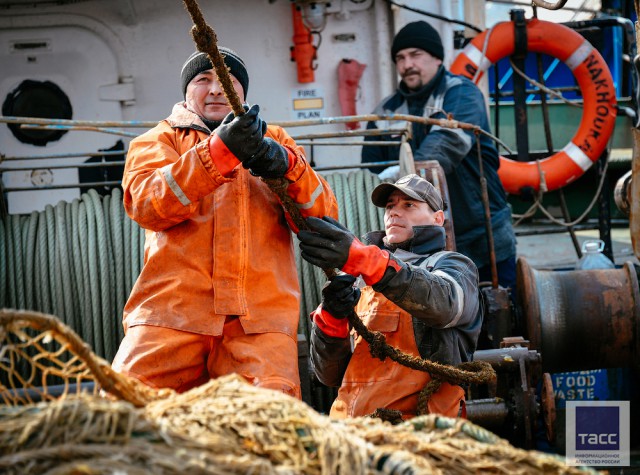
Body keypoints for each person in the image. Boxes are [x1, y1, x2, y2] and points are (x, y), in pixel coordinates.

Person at [111, 48, 338, 398]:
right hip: (170, 317)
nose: (216, 89)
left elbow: (322, 217)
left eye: (228, 82)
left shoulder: (276, 141)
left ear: (242, 93)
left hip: (259, 325)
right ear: (186, 92)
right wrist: (218, 152)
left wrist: (286, 165)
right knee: (121, 408)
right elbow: (146, 205)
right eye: (204, 80)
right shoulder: (158, 140)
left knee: (270, 428)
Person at [297, 174, 482, 419]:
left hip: (419, 434)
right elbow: (328, 376)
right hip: (350, 434)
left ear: (438, 219)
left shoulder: (454, 267)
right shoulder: (357, 280)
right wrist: (331, 322)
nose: (394, 212)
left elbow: (445, 305)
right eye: (390, 206)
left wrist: (367, 260)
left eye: (409, 205)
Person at [361, 20, 517, 294]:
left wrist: (402, 175)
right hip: (421, 247)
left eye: (415, 55)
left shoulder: (462, 94)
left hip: (482, 234)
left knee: (501, 312)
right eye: (400, 58)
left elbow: (446, 144)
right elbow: (368, 171)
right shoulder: (385, 112)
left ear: (436, 57)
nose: (407, 64)